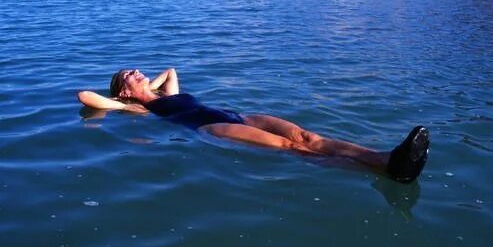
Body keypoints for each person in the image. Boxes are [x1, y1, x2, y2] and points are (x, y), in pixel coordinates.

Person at [77, 68, 430, 183]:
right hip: (209, 128)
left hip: (238, 116)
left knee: (309, 137)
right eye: (130, 75)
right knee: (295, 149)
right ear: (123, 89)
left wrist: (146, 87)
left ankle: (386, 157)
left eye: (137, 70)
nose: (139, 73)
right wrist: (130, 97)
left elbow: (171, 71)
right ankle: (383, 172)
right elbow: (86, 96)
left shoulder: (162, 92)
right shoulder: (136, 110)